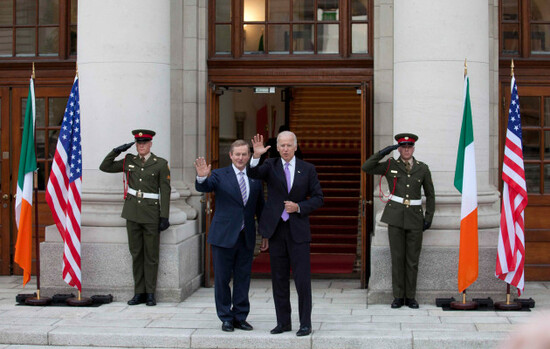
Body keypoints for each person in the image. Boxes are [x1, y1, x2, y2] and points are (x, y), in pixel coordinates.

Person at [249, 131, 323, 337]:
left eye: (289, 145)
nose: (285, 149)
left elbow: (318, 198)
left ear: (296, 147)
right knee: (279, 279)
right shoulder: (270, 165)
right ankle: (283, 322)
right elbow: (253, 174)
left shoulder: (307, 169)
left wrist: (299, 206)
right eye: (282, 145)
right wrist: (256, 156)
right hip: (276, 230)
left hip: (298, 230)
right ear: (277, 147)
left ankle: (305, 323)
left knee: (302, 280)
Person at [194, 140, 264, 332]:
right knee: (222, 279)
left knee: (243, 278)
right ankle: (225, 317)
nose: (241, 158)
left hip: (246, 236)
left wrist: (264, 234)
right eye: (237, 154)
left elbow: (260, 207)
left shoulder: (255, 177)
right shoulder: (218, 174)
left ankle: (240, 316)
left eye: (244, 154)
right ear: (231, 156)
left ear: (248, 156)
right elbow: (205, 187)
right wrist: (201, 178)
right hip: (223, 236)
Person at [362, 133, 435, 309]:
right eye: (403, 147)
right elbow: (367, 167)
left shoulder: (422, 168)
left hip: (415, 218)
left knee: (412, 260)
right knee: (397, 258)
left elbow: (430, 195)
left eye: (409, 147)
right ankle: (397, 297)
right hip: (395, 217)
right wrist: (383, 152)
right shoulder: (390, 165)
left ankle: (410, 297)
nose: (407, 150)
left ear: (413, 149)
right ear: (399, 149)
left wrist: (428, 217)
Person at [99, 129, 171, 306]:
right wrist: (117, 150)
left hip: (151, 214)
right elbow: (105, 166)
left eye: (144, 143)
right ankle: (139, 292)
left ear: (150, 144)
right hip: (132, 213)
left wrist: (164, 216)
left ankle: (150, 293)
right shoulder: (129, 161)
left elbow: (165, 191)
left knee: (151, 255)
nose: (141, 146)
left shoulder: (160, 164)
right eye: (139, 143)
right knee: (136, 254)